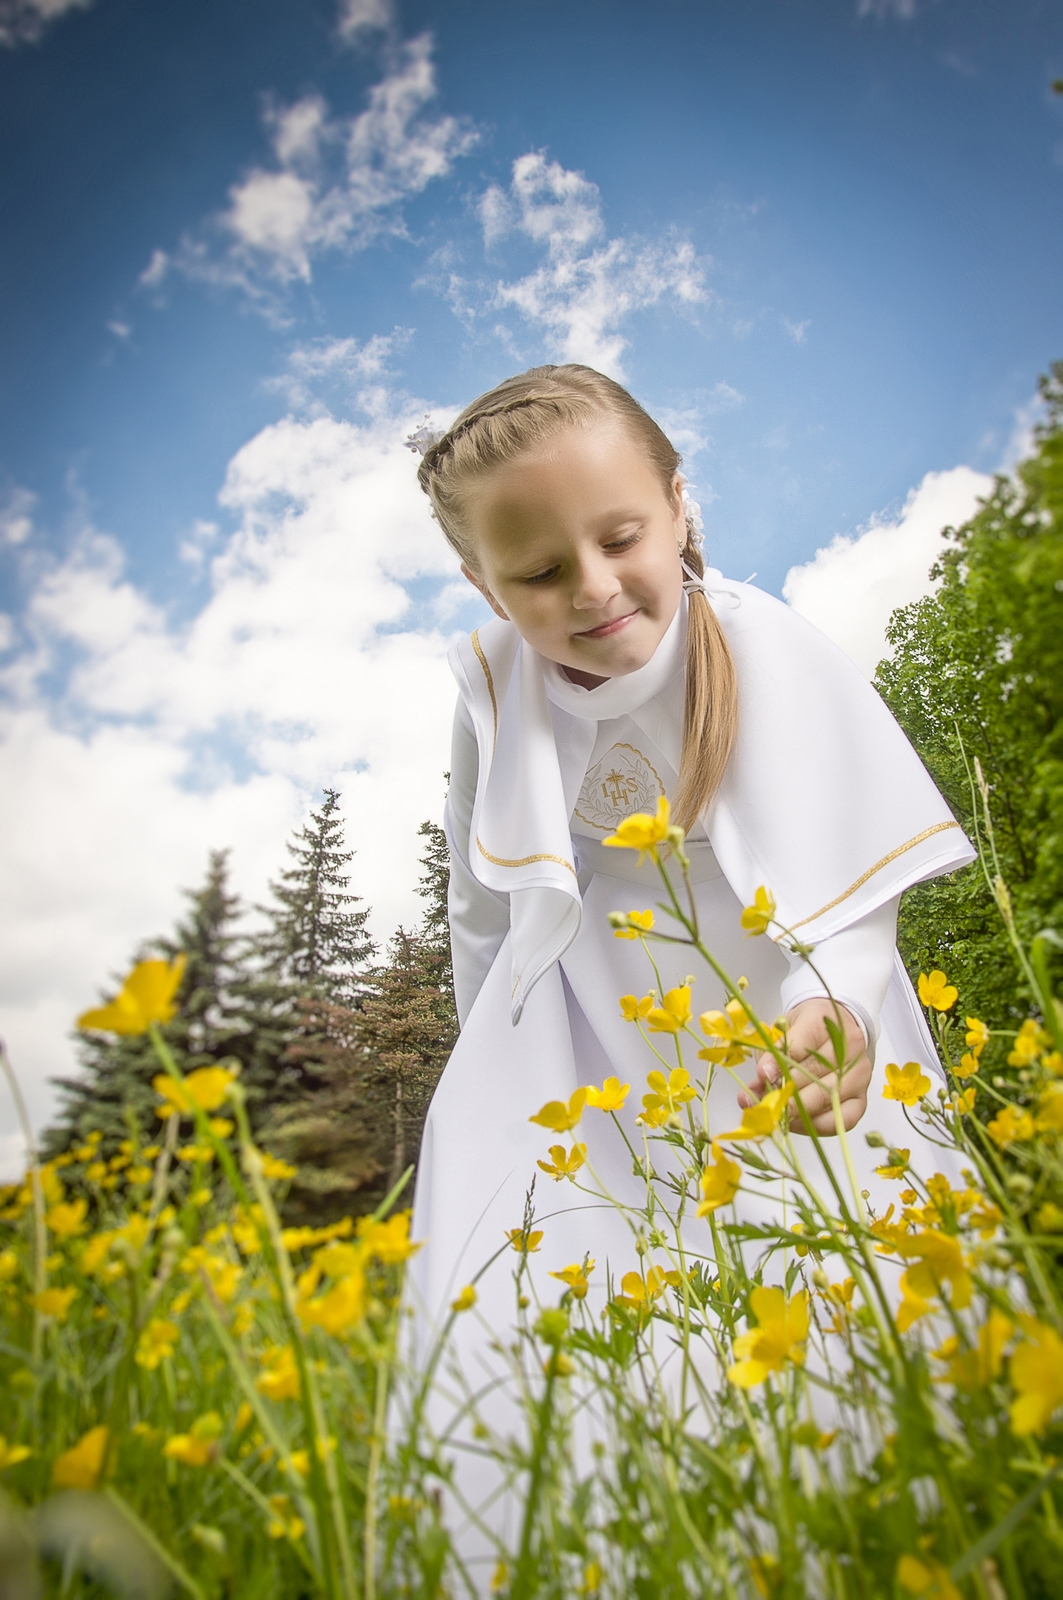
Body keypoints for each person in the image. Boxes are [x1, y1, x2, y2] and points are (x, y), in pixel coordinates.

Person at [404, 364, 972, 1552]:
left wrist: (835, 1005)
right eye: (541, 571)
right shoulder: (492, 692)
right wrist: (486, 1074)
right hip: (582, 1038)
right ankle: (615, 1549)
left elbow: (846, 870)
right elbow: (481, 904)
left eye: (620, 538)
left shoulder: (759, 641)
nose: (594, 587)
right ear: (480, 583)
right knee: (577, 1275)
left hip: (781, 1009)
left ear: (678, 507)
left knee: (825, 1266)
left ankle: (880, 1537)